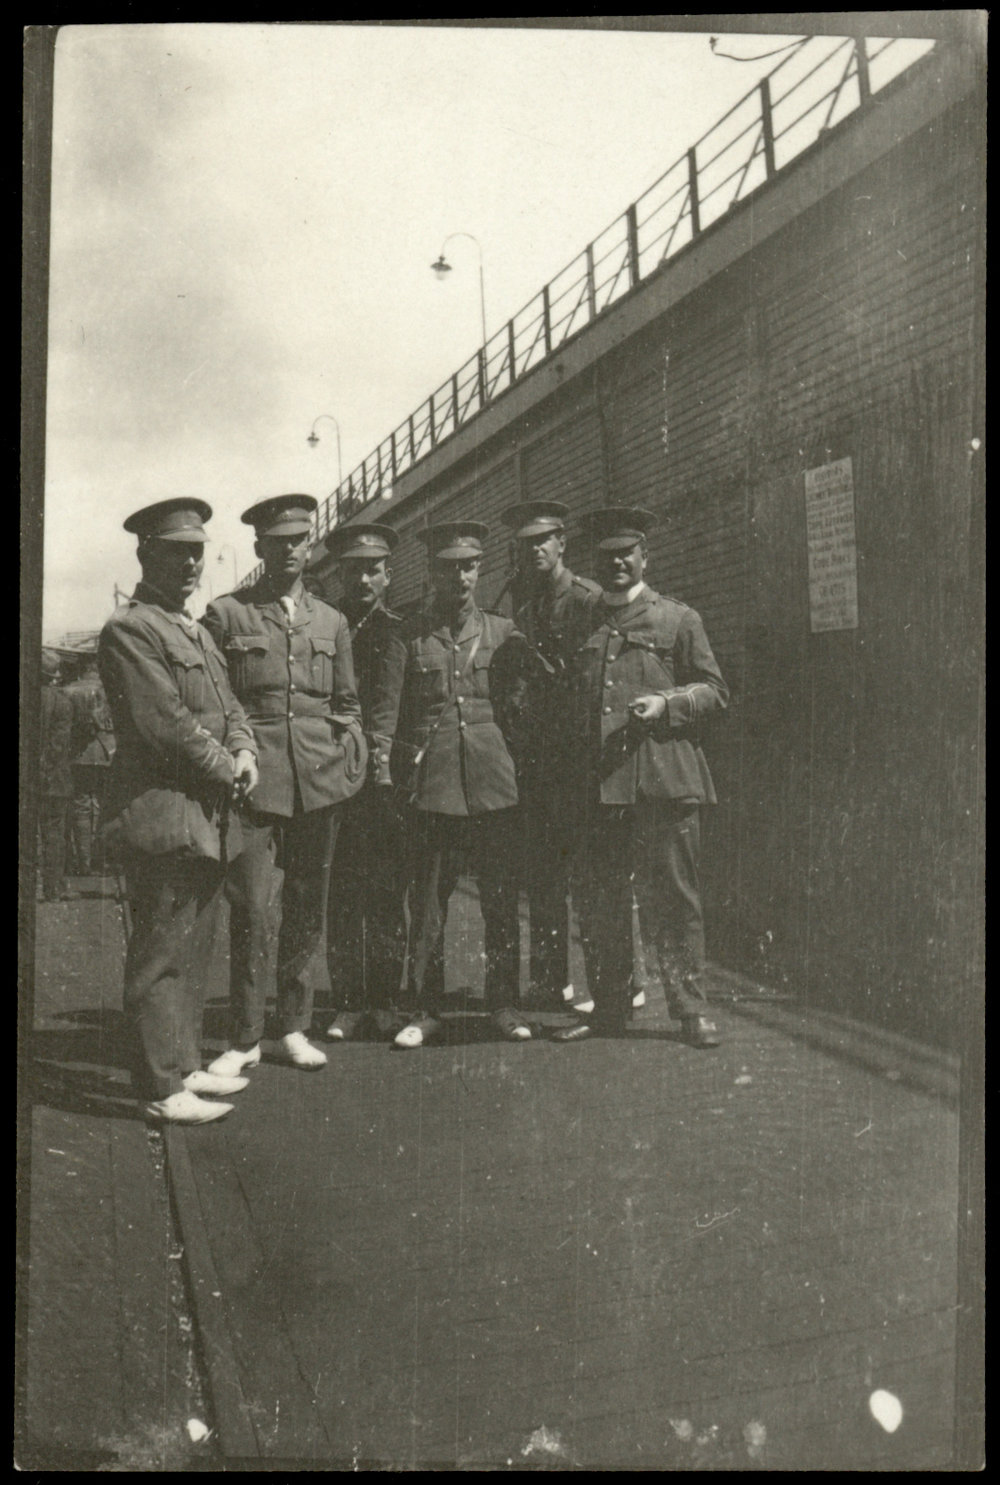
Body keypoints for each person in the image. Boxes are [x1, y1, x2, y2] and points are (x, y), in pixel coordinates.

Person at [98, 499, 259, 1123]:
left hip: (207, 813)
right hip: (163, 813)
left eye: (198, 550)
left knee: (192, 948)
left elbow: (229, 704)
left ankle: (183, 1063)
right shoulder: (131, 628)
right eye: (176, 551)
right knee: (160, 951)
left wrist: (245, 748)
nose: (192, 562)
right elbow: (166, 724)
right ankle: (160, 1088)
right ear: (146, 555)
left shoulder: (191, 628)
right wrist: (228, 765)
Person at [202, 494, 367, 1077]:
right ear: (260, 549)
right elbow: (215, 703)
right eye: (277, 542)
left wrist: (349, 757)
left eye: (298, 540)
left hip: (319, 784)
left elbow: (346, 705)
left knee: (306, 906)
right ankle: (245, 1035)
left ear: (310, 545)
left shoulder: (332, 621)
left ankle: (294, 1025)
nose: (289, 550)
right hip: (255, 784)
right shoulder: (228, 616)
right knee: (251, 906)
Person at [553, 506, 728, 1047]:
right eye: (606, 556)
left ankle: (690, 1009)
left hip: (663, 785)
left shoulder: (678, 620)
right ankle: (609, 1008)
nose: (617, 563)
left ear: (644, 557)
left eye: (626, 553)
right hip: (600, 789)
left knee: (674, 900)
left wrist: (666, 702)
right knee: (601, 903)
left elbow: (715, 693)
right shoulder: (579, 622)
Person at [391, 521, 534, 1049]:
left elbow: (522, 709)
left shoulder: (503, 633)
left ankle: (503, 1003)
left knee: (499, 901)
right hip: (433, 788)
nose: (460, 576)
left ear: (481, 569)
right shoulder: (410, 637)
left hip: (495, 785)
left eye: (469, 566)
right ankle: (426, 1006)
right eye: (449, 567)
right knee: (428, 904)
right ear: (432, 573)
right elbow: (396, 716)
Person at [502, 500, 601, 1011]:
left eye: (544, 540)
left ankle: (609, 988)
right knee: (543, 878)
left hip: (584, 761)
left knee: (592, 878)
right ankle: (550, 982)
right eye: (525, 544)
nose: (535, 549)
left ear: (563, 543)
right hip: (541, 764)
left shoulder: (588, 600)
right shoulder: (526, 605)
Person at [322, 524, 409, 1042]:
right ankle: (347, 1002)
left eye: (372, 569)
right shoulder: (327, 629)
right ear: (339, 576)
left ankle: (384, 999)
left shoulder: (399, 629)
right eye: (353, 569)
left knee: (385, 892)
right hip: (334, 780)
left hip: (384, 785)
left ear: (388, 576)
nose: (363, 578)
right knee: (341, 894)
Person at [63, 651, 116, 875]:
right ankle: (99, 860)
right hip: (107, 753)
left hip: (78, 754)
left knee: (81, 805)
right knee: (103, 805)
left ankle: (83, 862)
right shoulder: (111, 689)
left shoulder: (67, 691)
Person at [38, 649, 77, 902]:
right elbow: (58, 745)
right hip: (53, 780)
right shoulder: (62, 702)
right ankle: (53, 888)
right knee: (54, 833)